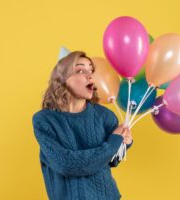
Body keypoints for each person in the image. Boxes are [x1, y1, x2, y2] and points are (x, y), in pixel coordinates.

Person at [32, 51, 133, 200]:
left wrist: (126, 143)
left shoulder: (105, 116)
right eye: (80, 71)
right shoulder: (44, 120)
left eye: (91, 71)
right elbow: (66, 164)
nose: (90, 75)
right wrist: (113, 143)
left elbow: (111, 160)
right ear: (62, 79)